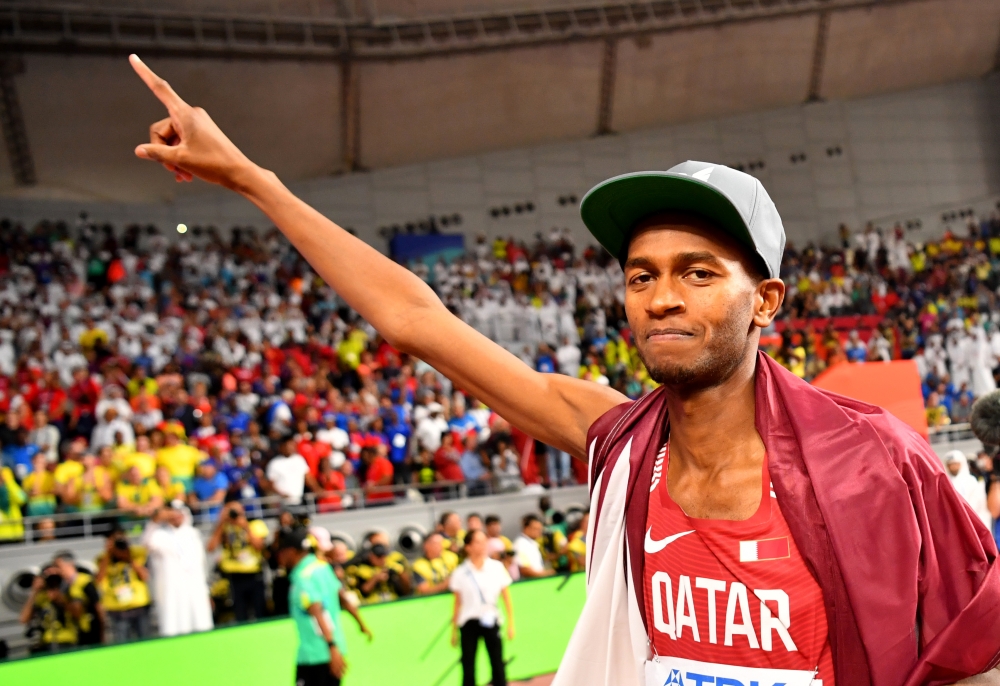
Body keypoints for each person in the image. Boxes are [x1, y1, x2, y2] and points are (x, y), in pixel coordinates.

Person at [128, 58, 1000, 683]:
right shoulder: (619, 442)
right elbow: (416, 320)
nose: (662, 298)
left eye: (699, 272)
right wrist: (252, 180)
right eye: (641, 275)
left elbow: (975, 655)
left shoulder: (875, 459)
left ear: (765, 300)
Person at [276, 526, 348, 686]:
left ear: (291, 552)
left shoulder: (303, 577)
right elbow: (343, 596)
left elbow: (317, 612)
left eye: (282, 552)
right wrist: (362, 625)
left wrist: (332, 647)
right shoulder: (322, 567)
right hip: (330, 649)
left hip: (316, 654)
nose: (280, 557)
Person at [449, 529, 515, 686]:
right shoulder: (460, 572)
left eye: (484, 541)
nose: (483, 545)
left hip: (491, 619)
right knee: (468, 664)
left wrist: (511, 623)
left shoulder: (496, 567)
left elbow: (506, 597)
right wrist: (453, 631)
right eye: (478, 542)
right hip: (468, 622)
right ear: (468, 547)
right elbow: (457, 603)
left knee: (497, 661)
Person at [143, 502, 214, 636]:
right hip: (172, 591)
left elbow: (201, 564)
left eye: (179, 513)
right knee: (173, 624)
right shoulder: (159, 534)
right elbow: (146, 544)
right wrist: (155, 521)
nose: (176, 517)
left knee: (201, 623)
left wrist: (207, 591)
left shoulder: (193, 533)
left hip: (195, 589)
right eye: (172, 513)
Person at [206, 501, 269, 622]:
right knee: (240, 614)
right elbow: (211, 547)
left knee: (259, 611)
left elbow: (259, 546)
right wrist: (222, 522)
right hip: (234, 576)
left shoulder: (255, 524)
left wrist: (245, 526)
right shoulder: (224, 527)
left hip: (254, 574)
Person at [96, 528, 152, 643]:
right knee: (121, 644)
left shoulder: (137, 553)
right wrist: (109, 553)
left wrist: (128, 558)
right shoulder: (103, 558)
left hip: (138, 605)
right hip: (117, 608)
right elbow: (99, 580)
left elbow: (144, 576)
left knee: (146, 641)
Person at [945, 450, 992, 530]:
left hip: (972, 523)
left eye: (955, 463)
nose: (953, 467)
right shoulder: (945, 483)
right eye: (950, 464)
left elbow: (975, 505)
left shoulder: (971, 481)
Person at [513, 514, 553, 579]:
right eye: (536, 529)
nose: (539, 532)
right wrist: (546, 574)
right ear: (526, 528)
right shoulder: (521, 545)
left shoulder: (531, 543)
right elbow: (524, 569)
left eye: (540, 529)